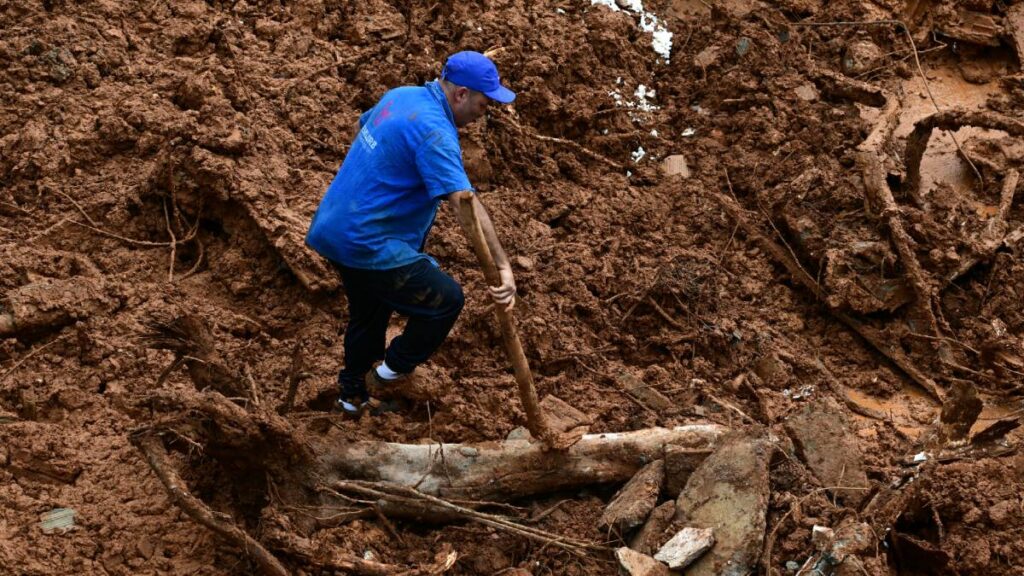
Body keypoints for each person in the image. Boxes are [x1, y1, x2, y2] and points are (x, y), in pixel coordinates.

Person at [306, 51, 518, 415]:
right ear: (461, 94)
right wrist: (503, 266)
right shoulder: (435, 131)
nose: (487, 111)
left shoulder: (401, 95)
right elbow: (464, 203)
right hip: (366, 241)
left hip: (334, 227)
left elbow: (361, 131)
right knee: (445, 301)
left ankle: (352, 398)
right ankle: (388, 376)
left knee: (370, 312)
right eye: (485, 103)